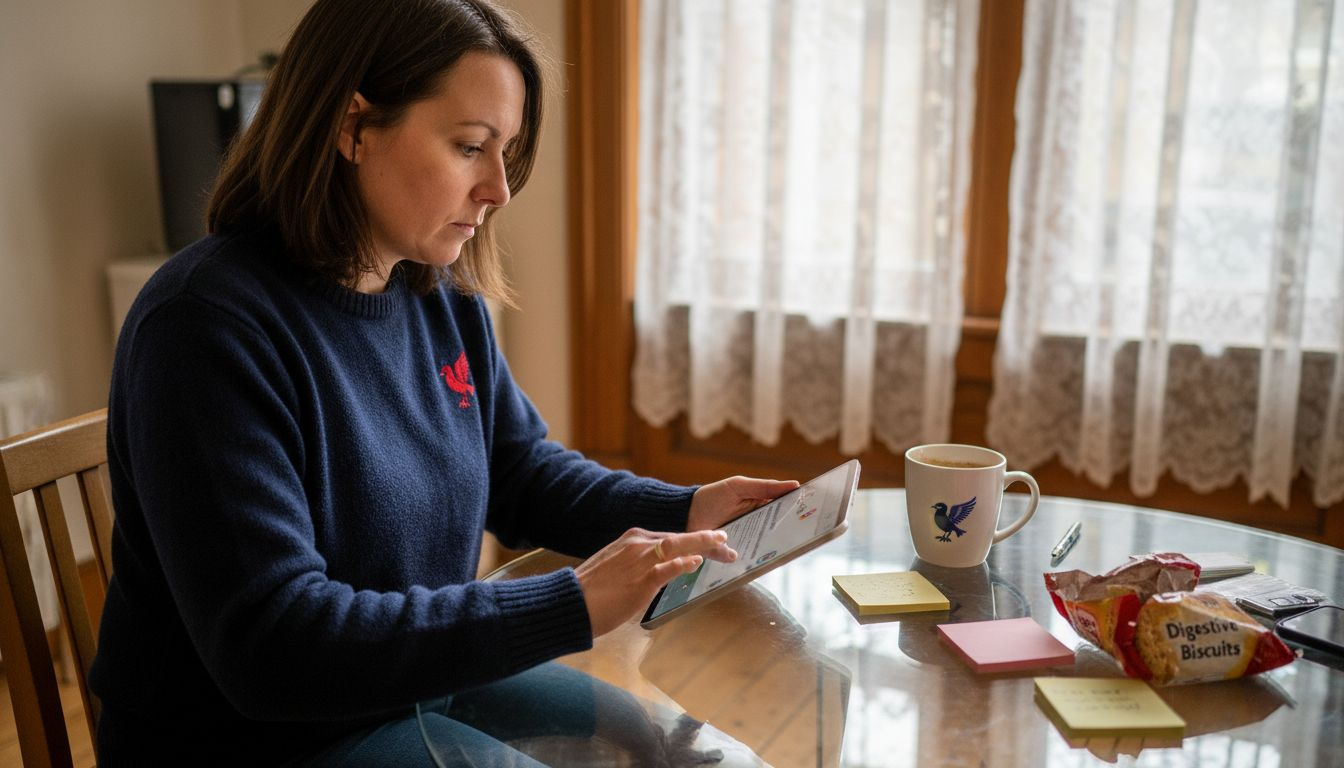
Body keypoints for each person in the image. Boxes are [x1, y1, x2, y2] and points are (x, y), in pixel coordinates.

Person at [88, 0, 797, 764]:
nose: (499, 188)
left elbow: (519, 469)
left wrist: (686, 508)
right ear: (352, 126)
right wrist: (570, 604)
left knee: (658, 748)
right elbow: (275, 645)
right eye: (469, 146)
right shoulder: (205, 327)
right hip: (253, 738)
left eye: (506, 152)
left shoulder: (435, 291)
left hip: (402, 681)